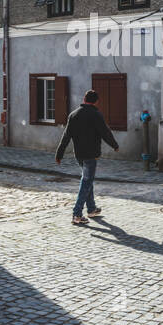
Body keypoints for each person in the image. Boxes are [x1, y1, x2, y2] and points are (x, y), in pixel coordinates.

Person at [55, 89, 120, 225]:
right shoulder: (96, 115)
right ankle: (77, 214)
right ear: (96, 102)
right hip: (91, 155)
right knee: (86, 181)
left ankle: (91, 209)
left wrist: (59, 153)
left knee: (87, 180)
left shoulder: (73, 115)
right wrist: (114, 145)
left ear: (84, 100)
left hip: (79, 154)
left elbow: (66, 136)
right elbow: (105, 132)